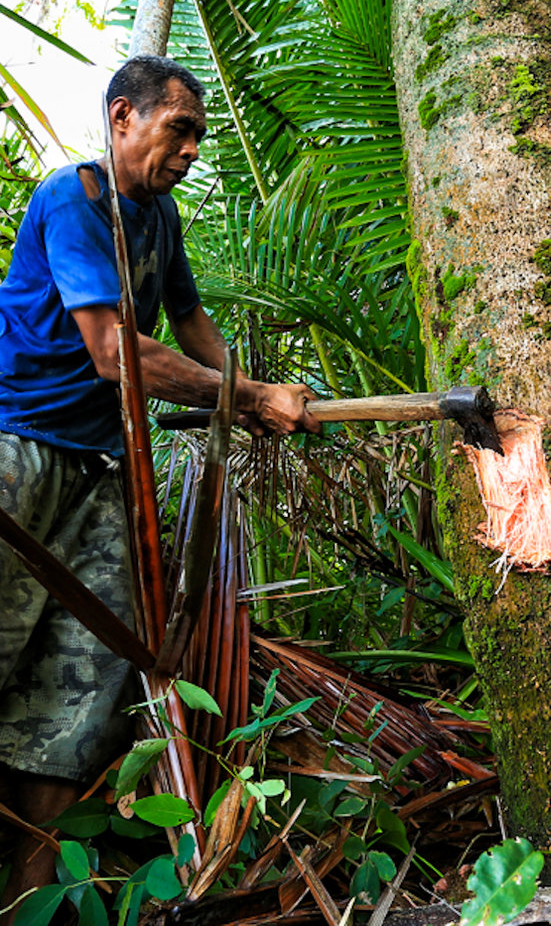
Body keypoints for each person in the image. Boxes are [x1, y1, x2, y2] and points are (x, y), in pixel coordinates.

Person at [0, 55, 320, 916]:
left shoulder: (161, 217)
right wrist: (247, 397)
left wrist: (259, 398)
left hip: (102, 468)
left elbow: (191, 325)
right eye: (178, 130)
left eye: (198, 138)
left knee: (87, 676)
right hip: (17, 454)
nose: (189, 152)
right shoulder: (73, 200)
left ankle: (27, 894)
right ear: (122, 118)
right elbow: (117, 354)